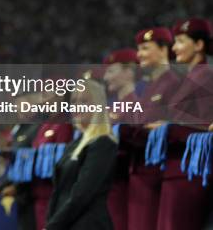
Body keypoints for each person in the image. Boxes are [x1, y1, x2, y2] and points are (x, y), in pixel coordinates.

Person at [151, 18, 213, 230]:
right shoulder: (190, 77)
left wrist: (167, 128)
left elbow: (206, 128)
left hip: (190, 172)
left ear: (198, 45)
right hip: (177, 169)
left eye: (180, 41)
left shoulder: (205, 76)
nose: (174, 48)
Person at [45, 79, 118, 230]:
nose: (77, 106)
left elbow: (82, 194)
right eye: (74, 101)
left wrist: (53, 226)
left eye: (84, 101)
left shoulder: (103, 143)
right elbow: (59, 192)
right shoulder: (74, 144)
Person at [127, 26, 180, 230]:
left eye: (145, 48)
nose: (139, 54)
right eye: (138, 49)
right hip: (141, 171)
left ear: (164, 49)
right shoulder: (148, 87)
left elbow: (161, 128)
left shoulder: (174, 82)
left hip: (156, 173)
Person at [102, 48, 139, 230]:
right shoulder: (110, 109)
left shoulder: (138, 103)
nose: (106, 77)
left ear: (129, 71)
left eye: (111, 71)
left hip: (128, 183)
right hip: (109, 183)